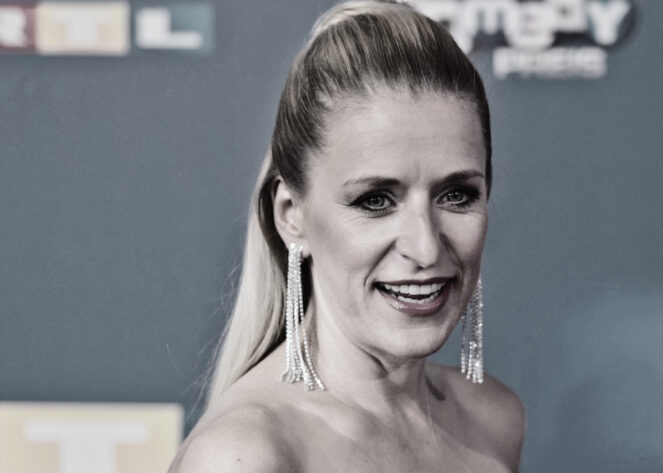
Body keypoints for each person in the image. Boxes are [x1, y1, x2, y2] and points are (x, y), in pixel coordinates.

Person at [170, 1, 525, 471]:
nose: (425, 247)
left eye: (457, 195)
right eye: (375, 200)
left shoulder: (493, 419)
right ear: (291, 215)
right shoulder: (245, 457)